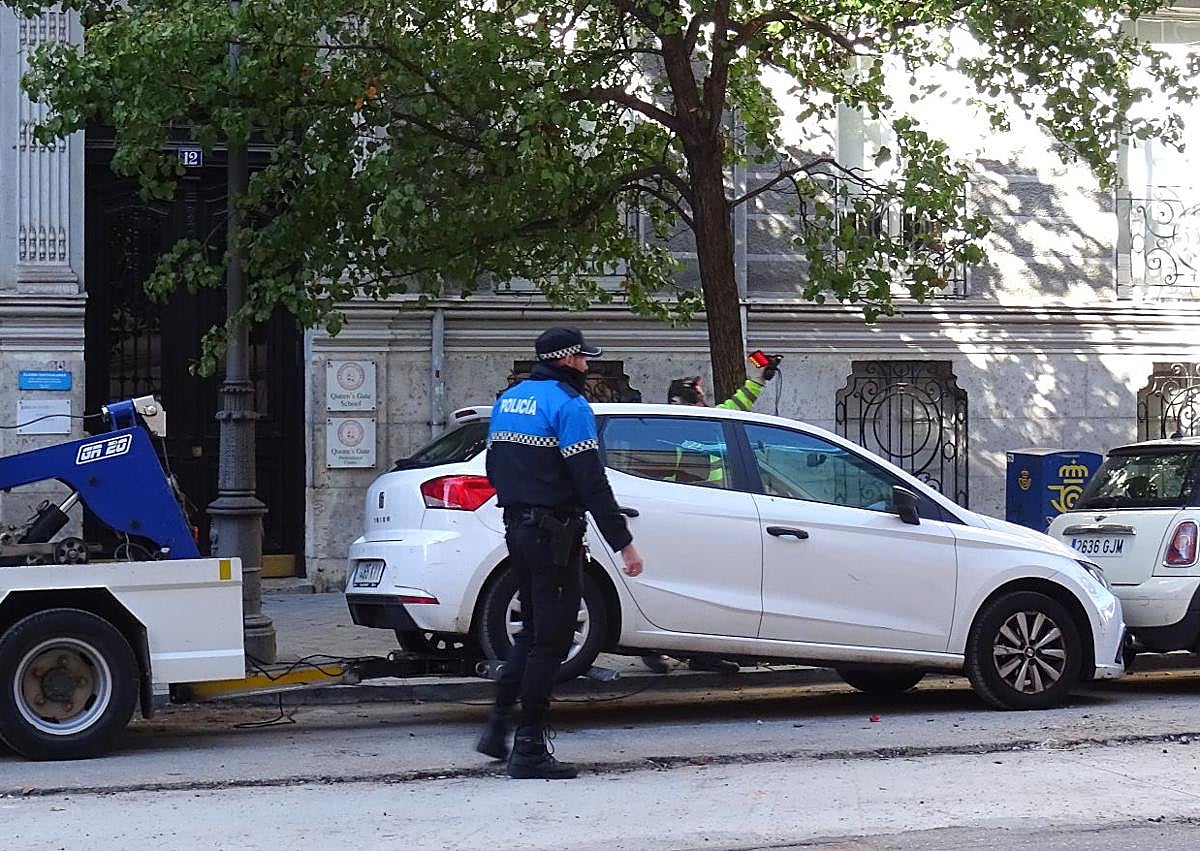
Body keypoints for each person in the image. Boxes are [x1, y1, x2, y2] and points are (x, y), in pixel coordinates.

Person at [477, 326, 645, 780]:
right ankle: (528, 747)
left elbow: (494, 466)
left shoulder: (508, 401)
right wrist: (622, 541)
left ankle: (496, 728)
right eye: (584, 359)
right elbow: (591, 480)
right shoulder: (569, 406)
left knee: (531, 635)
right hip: (554, 534)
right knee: (551, 642)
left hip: (518, 528)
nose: (588, 366)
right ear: (568, 360)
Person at [642, 359, 780, 674]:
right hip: (677, 521)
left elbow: (738, 405)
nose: (705, 400)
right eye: (700, 396)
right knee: (673, 586)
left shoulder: (708, 422)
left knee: (702, 589)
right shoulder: (671, 430)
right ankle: (654, 646)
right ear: (685, 402)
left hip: (708, 519)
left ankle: (701, 652)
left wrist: (760, 378)